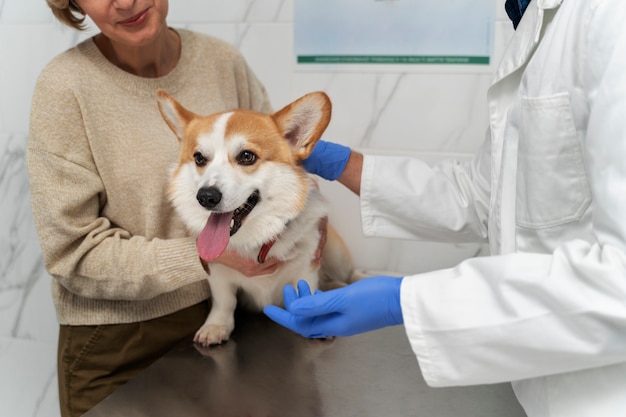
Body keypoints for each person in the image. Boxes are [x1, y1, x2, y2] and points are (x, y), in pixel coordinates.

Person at [264, 0, 626, 415]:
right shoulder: (532, 19)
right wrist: (346, 165)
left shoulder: (611, 16)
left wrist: (407, 301)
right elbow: (480, 195)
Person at [28, 1, 280, 416]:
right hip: (121, 342)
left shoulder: (222, 61)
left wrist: (305, 227)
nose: (124, 2)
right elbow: (72, 253)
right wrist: (203, 256)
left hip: (235, 318)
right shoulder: (65, 87)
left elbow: (276, 167)